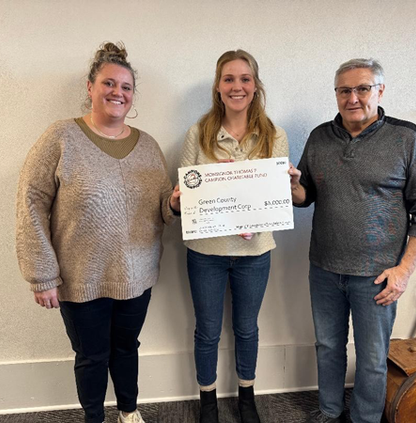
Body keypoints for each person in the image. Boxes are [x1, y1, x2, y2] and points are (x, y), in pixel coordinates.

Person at [16, 42, 180, 423]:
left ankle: (128, 411)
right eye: (109, 83)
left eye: (125, 87)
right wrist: (41, 274)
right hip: (80, 278)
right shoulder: (61, 138)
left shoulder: (148, 146)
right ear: (90, 87)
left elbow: (162, 209)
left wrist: (174, 204)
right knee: (91, 356)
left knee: (127, 347)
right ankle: (94, 418)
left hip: (136, 276)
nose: (117, 92)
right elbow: (31, 201)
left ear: (132, 95)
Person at [289, 58, 416, 423]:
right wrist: (293, 186)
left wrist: (404, 270)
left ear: (380, 91)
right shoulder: (320, 137)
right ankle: (328, 411)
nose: (352, 98)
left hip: (378, 275)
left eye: (362, 89)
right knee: (328, 346)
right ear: (336, 94)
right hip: (324, 268)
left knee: (372, 358)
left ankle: (365, 418)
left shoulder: (407, 138)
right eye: (344, 90)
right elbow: (305, 195)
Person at [180, 50, 289, 423]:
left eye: (245, 79)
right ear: (218, 86)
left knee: (247, 329)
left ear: (255, 86)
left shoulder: (274, 135)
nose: (237, 86)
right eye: (229, 79)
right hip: (205, 252)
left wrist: (285, 186)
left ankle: (247, 397)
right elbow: (187, 191)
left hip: (254, 252)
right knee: (207, 331)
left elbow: (278, 198)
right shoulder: (198, 133)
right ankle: (207, 401)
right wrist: (184, 197)